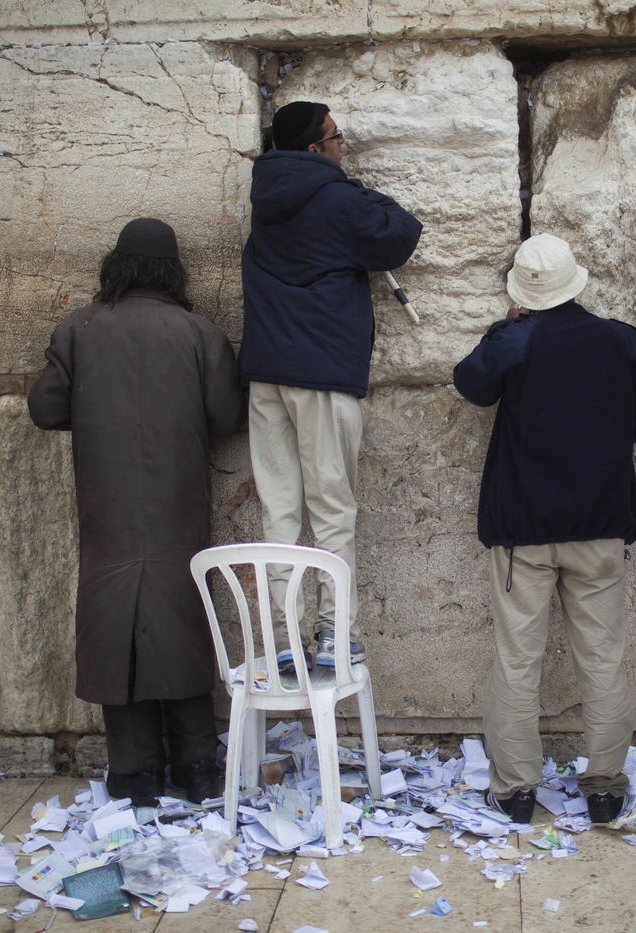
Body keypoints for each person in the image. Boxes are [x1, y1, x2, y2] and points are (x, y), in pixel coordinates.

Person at [28, 218, 246, 806]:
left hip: (109, 509)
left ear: (115, 267)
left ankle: (134, 772)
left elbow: (45, 410)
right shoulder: (200, 334)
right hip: (177, 507)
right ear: (173, 274)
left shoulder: (78, 329)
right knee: (182, 623)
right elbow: (227, 417)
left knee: (115, 630)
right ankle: (197, 767)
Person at [454, 234, 636, 824]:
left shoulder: (515, 339)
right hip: (600, 524)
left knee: (517, 660)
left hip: (522, 530)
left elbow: (470, 384)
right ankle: (605, 788)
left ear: (523, 292)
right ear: (576, 280)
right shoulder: (622, 340)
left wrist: (504, 327)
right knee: (602, 659)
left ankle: (516, 790)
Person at [240, 100, 422, 671]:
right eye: (337, 137)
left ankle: (283, 640)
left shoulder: (265, 199)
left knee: (279, 510)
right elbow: (401, 235)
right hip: (322, 373)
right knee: (332, 508)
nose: (344, 144)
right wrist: (359, 188)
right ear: (315, 148)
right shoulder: (339, 199)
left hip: (267, 376)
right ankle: (335, 636)